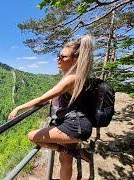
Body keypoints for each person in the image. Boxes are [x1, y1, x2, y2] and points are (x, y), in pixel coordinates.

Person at [8, 35, 94, 180]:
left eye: (63, 56)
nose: (58, 59)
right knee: (65, 161)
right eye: (58, 55)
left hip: (74, 126)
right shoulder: (77, 76)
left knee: (32, 136)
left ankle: (75, 152)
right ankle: (76, 153)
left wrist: (18, 108)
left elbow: (42, 98)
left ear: (75, 60)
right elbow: (64, 100)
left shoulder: (70, 79)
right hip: (78, 124)